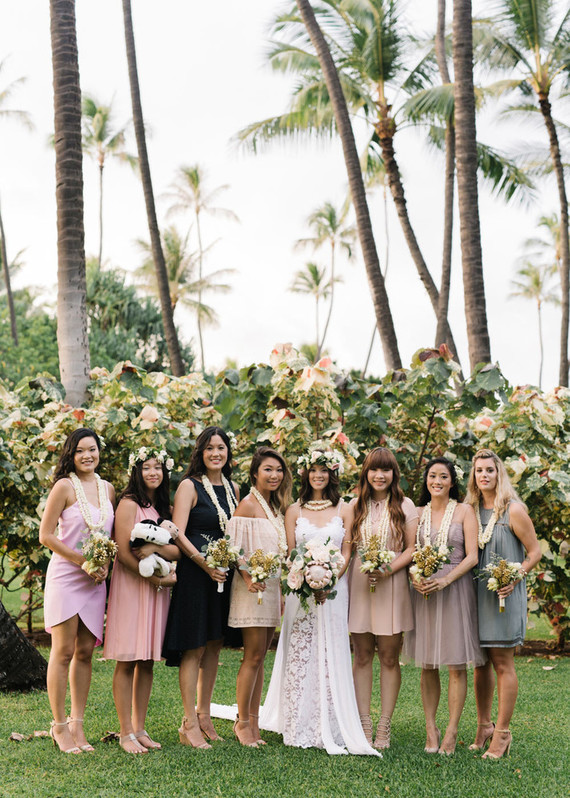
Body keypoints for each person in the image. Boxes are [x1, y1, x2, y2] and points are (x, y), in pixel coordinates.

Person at [260, 444, 379, 756]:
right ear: (305, 473)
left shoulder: (346, 508)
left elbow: (348, 551)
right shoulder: (294, 510)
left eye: (323, 470)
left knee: (330, 651)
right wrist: (304, 576)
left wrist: (329, 579)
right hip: (300, 589)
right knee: (300, 651)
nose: (318, 475)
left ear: (332, 473)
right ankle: (297, 721)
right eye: (313, 470)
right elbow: (289, 552)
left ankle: (333, 719)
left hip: (334, 591)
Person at [161, 427, 239, 749]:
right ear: (200, 453)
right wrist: (204, 563)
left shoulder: (234, 487)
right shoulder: (188, 487)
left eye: (221, 447)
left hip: (224, 576)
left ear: (228, 452)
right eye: (209, 448)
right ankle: (188, 722)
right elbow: (176, 534)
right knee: (194, 647)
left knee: (215, 644)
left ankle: (204, 714)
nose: (215, 454)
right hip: (196, 575)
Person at [403, 457, 486, 754]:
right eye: (432, 476)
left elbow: (472, 556)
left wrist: (446, 580)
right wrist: (415, 577)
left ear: (453, 481)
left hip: (454, 589)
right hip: (424, 591)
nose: (436, 481)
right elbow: (410, 552)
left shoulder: (464, 511)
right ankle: (430, 728)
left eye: (443, 476)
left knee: (455, 664)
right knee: (427, 664)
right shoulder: (418, 512)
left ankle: (451, 731)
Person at [39, 428, 115, 754]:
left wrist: (105, 565)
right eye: (81, 450)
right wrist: (82, 560)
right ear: (71, 454)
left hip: (95, 582)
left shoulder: (108, 489)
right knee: (63, 651)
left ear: (100, 453)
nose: (88, 456)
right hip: (67, 577)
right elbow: (46, 535)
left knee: (85, 652)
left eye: (93, 450)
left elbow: (111, 537)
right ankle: (58, 726)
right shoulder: (64, 486)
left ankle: (77, 723)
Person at [466, 449, 541, 759]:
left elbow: (534, 552)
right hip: (475, 596)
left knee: (502, 663)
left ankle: (502, 734)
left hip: (503, 597)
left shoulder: (513, 510)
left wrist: (515, 576)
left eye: (489, 470)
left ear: (499, 474)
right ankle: (484, 725)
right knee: (480, 664)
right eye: (479, 471)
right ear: (473, 476)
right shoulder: (468, 510)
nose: (484, 475)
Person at [103, 448, 179, 753]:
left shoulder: (164, 507)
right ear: (138, 471)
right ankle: (124, 733)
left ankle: (139, 727)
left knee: (147, 660)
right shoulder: (129, 504)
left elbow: (175, 551)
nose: (153, 473)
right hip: (133, 586)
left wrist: (156, 553)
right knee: (128, 658)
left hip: (156, 591)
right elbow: (123, 552)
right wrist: (155, 578)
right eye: (147, 467)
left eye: (158, 468)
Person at [348, 447, 418, 749]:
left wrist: (388, 569)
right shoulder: (354, 505)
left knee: (389, 657)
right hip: (360, 585)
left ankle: (385, 726)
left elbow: (412, 549)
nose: (379, 475)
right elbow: (347, 549)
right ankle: (363, 723)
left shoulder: (405, 505)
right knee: (362, 655)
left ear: (393, 474)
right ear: (366, 472)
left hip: (392, 585)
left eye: (386, 470)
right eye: (374, 469)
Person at [226, 446, 291, 747]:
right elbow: (233, 548)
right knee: (252, 656)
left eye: (278, 470)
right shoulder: (248, 505)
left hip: (272, 589)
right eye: (268, 469)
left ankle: (254, 721)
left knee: (260, 657)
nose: (274, 475)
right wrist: (249, 577)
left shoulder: (276, 507)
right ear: (254, 473)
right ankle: (242, 723)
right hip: (251, 589)